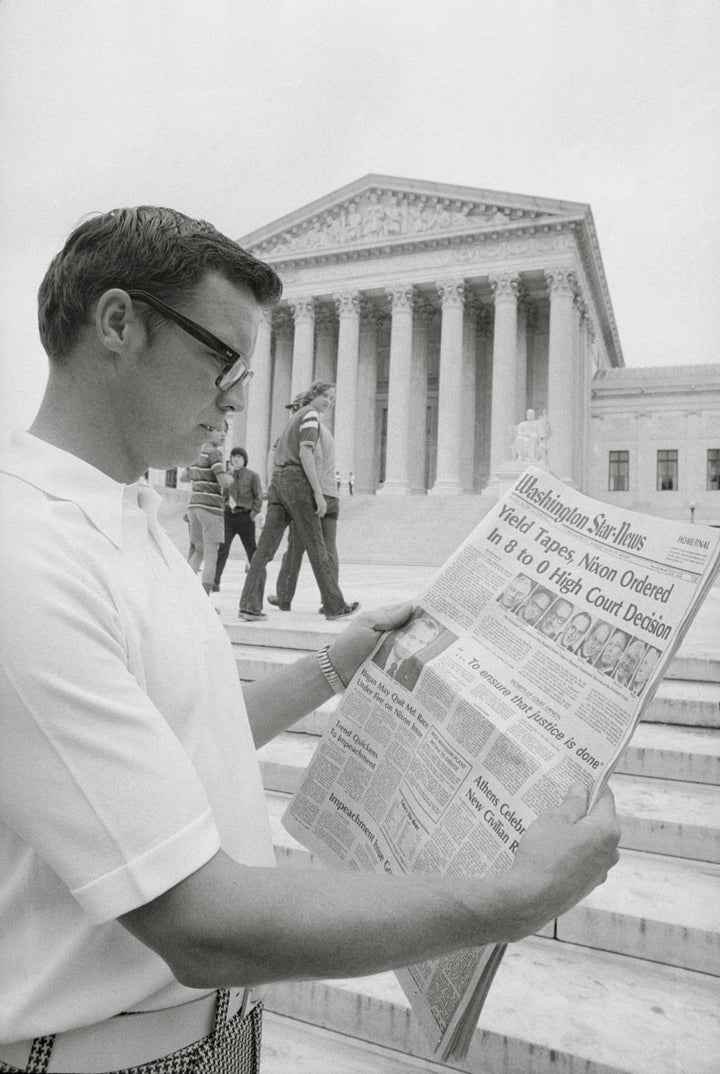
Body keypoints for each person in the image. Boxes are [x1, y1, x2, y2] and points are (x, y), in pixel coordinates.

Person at [0, 206, 620, 1074]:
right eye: (223, 358)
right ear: (117, 322)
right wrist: (520, 897)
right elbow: (203, 927)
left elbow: (183, 736)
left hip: (222, 1034)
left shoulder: (131, 516)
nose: (239, 397)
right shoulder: (24, 557)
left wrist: (336, 663)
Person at [239, 382, 359, 621]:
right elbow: (307, 453)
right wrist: (316, 493)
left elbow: (274, 457)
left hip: (278, 483)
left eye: (332, 399)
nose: (328, 402)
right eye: (325, 396)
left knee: (264, 549)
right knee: (317, 546)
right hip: (296, 482)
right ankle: (335, 607)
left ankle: (249, 605)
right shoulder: (311, 416)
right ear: (313, 395)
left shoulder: (289, 424)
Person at [267, 389, 341, 613]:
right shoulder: (326, 431)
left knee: (295, 549)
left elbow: (312, 459)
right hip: (333, 494)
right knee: (328, 549)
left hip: (317, 495)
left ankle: (284, 596)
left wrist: (313, 493)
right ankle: (329, 600)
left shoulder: (311, 429)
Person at [182, 424, 231, 595]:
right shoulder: (215, 453)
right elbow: (223, 481)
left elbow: (183, 477)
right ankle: (206, 600)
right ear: (209, 431)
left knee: (198, 552)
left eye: (226, 431)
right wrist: (231, 478)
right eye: (219, 431)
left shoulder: (197, 451)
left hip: (194, 506)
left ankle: (184, 592)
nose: (223, 435)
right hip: (210, 507)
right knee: (211, 555)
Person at [213, 447, 263, 591]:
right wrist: (225, 508)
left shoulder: (253, 476)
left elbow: (258, 496)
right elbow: (224, 496)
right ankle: (215, 582)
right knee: (223, 549)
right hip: (230, 516)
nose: (236, 460)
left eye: (239, 457)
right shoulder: (228, 475)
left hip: (246, 517)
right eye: (233, 457)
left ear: (244, 460)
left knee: (252, 550)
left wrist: (253, 514)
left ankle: (256, 583)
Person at [372, 614, 442, 691]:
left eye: (421, 642)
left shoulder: (413, 674)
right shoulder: (376, 649)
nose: (413, 645)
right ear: (399, 636)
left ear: (423, 647)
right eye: (412, 637)